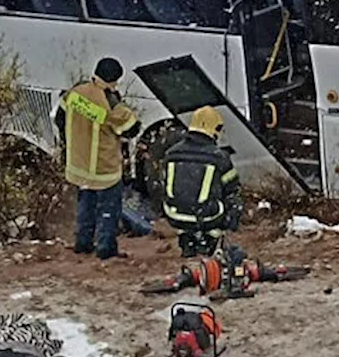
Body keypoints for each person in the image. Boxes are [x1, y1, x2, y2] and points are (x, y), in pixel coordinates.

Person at [55, 57, 141, 259]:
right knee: (108, 209)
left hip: (78, 164)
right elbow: (132, 129)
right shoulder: (110, 103)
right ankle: (106, 248)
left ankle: (83, 244)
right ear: (114, 80)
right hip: (103, 168)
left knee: (86, 205)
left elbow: (60, 118)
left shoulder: (75, 92)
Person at [161, 105, 242, 257]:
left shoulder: (171, 153)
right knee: (232, 200)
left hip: (174, 214)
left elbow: (165, 185)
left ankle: (187, 239)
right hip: (206, 216)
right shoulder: (219, 157)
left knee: (186, 200)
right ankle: (211, 239)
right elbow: (232, 188)